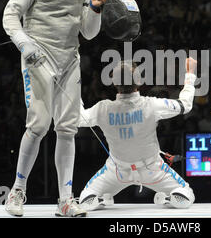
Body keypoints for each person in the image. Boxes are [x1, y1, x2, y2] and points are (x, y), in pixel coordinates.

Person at [2, 0, 109, 217]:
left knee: (67, 129)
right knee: (38, 125)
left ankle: (65, 199)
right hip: (38, 58)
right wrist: (25, 45)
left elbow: (87, 33)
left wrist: (95, 8)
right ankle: (17, 191)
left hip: (68, 61)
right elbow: (10, 15)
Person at [77, 58, 198, 210]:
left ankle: (100, 198)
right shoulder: (151, 105)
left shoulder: (103, 108)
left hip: (116, 171)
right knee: (186, 194)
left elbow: (78, 119)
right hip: (153, 169)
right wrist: (190, 73)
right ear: (139, 82)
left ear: (114, 83)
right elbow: (184, 105)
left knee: (85, 197)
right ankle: (167, 197)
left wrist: (73, 89)